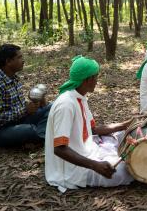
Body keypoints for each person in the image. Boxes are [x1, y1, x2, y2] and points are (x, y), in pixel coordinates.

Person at [45, 56, 134, 192]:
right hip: (72, 171)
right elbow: (59, 149)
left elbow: (92, 129)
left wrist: (124, 125)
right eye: (96, 77)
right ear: (88, 79)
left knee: (123, 134)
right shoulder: (66, 105)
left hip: (90, 149)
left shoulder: (80, 97)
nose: (97, 81)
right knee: (128, 170)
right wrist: (95, 165)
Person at [0, 44, 51, 148]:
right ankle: (42, 134)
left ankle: (39, 136)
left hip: (20, 121)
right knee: (29, 130)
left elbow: (17, 107)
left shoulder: (14, 78)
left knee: (53, 108)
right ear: (8, 62)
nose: (23, 60)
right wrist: (24, 110)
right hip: (0, 131)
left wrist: (35, 105)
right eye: (19, 57)